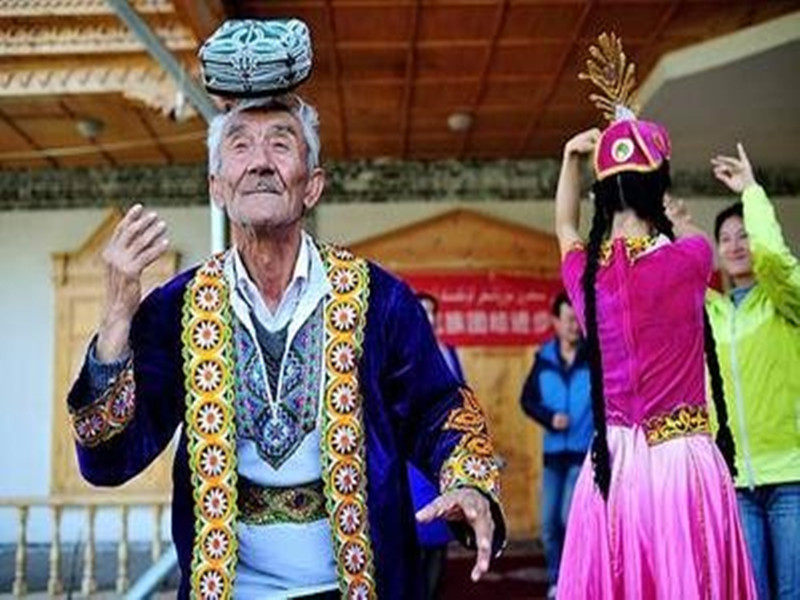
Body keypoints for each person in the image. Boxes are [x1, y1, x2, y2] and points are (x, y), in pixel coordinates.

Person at [64, 19, 505, 600]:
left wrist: (470, 482)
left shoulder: (380, 300)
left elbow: (438, 409)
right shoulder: (177, 308)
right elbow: (107, 461)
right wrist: (116, 321)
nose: (260, 161)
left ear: (312, 184)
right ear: (217, 186)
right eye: (240, 145)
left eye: (280, 142)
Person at [552, 33, 755, 599]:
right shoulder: (691, 258)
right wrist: (671, 212)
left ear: (603, 196)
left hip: (613, 467)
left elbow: (565, 225)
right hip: (683, 463)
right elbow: (689, 232)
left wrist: (570, 158)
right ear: (658, 189)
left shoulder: (586, 275)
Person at [706, 143, 800, 600]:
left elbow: (775, 262)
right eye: (725, 239)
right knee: (752, 593)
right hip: (737, 480)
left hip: (791, 477)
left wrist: (751, 193)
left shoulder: (785, 301)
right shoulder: (712, 313)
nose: (736, 245)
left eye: (744, 235)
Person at [519, 292, 592, 600]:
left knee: (567, 518)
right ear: (555, 322)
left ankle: (578, 579)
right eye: (568, 319)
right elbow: (527, 400)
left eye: (578, 320)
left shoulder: (594, 358)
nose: (574, 326)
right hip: (553, 456)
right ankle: (557, 579)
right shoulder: (544, 359)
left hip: (584, 454)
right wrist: (549, 418)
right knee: (548, 524)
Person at [406, 292, 463, 600]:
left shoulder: (450, 353)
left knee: (440, 531)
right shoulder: (398, 354)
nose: (427, 318)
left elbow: (462, 402)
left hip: (441, 456)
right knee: (414, 530)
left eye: (432, 312)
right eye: (422, 311)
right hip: (411, 458)